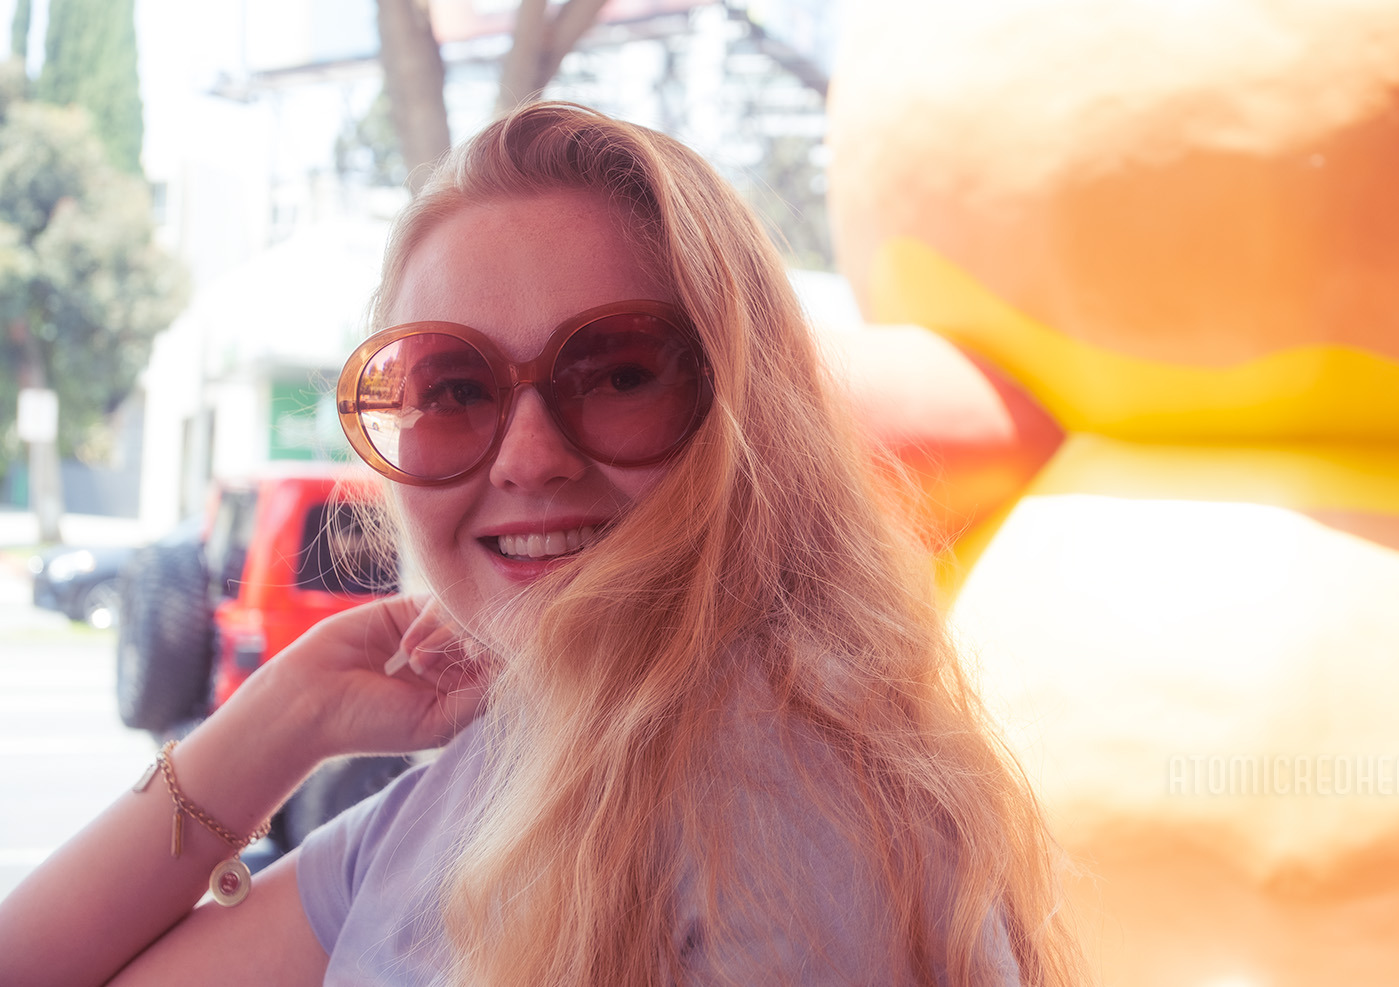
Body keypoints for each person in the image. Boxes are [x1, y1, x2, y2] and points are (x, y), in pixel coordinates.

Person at [0, 102, 1080, 986]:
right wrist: (284, 719)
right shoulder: (500, 773)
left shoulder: (787, 818)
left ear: (753, 415)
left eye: (615, 371)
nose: (527, 455)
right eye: (455, 388)